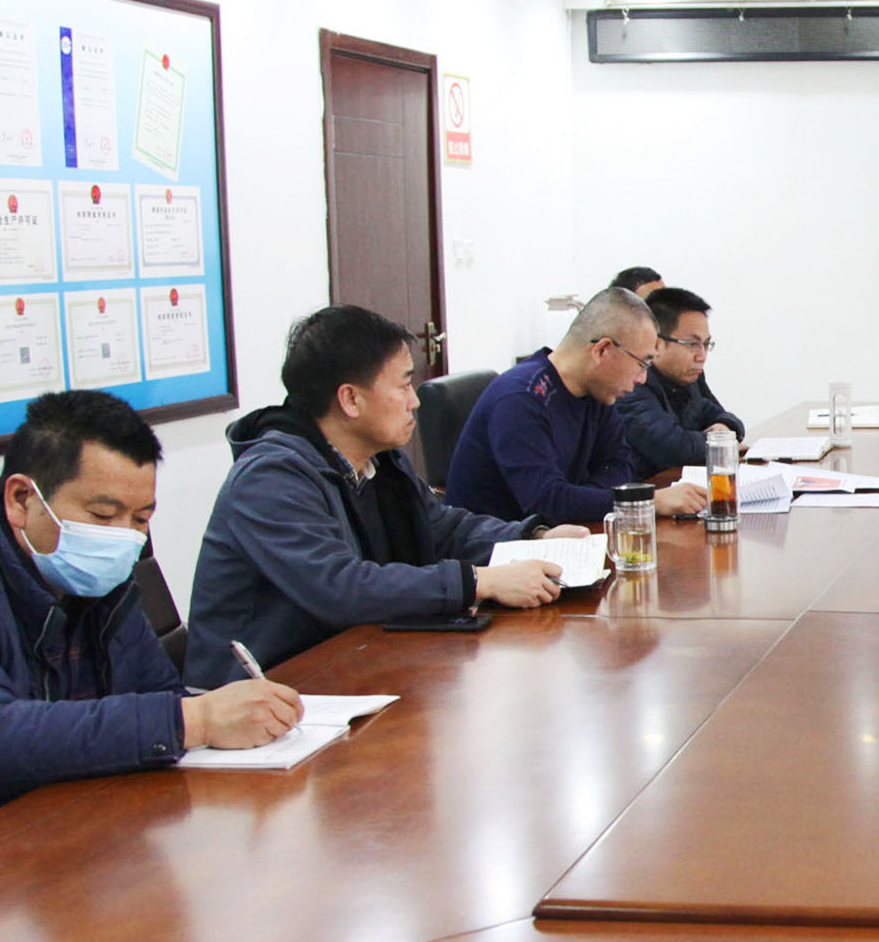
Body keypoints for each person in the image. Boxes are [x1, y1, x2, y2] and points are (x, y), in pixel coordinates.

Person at [0, 391, 302, 865]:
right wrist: (194, 720)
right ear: (22, 499)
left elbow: (156, 692)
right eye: (103, 514)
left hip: (50, 827)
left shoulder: (95, 574)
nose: (125, 538)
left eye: (141, 518)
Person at [185, 306, 593, 688]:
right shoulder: (272, 478)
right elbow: (341, 587)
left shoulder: (378, 460)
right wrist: (479, 582)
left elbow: (441, 527)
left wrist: (532, 537)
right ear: (350, 399)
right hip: (263, 693)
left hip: (355, 662)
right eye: (404, 385)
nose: (415, 400)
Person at [442, 287, 709, 527]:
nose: (642, 378)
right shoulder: (521, 398)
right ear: (602, 350)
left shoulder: (598, 391)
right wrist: (645, 501)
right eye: (642, 363)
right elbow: (546, 501)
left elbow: (619, 464)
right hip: (499, 551)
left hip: (566, 535)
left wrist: (581, 498)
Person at [617, 287, 746, 471]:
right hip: (650, 487)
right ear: (656, 344)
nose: (701, 356)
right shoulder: (633, 384)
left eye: (706, 344)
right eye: (692, 344)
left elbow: (722, 417)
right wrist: (721, 439)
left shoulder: (690, 376)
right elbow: (673, 448)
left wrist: (725, 427)